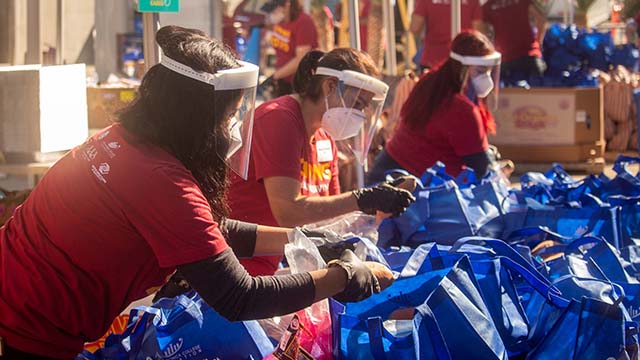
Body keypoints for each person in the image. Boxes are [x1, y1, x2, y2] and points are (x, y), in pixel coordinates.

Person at [0, 26, 394, 359]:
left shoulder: (122, 140)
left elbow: (205, 228)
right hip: (26, 325)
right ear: (198, 118)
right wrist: (341, 277)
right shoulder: (161, 180)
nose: (233, 128)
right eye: (229, 115)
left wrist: (298, 240)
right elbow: (239, 296)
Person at [228, 48, 415, 276]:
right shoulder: (279, 119)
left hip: (278, 261)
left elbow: (329, 219)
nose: (360, 115)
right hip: (239, 264)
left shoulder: (324, 139)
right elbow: (288, 212)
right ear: (330, 86)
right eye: (357, 104)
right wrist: (361, 199)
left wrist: (375, 208)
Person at [368, 30, 501, 183]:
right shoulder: (462, 109)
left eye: (489, 72)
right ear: (462, 68)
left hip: (385, 173)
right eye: (481, 71)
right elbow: (483, 169)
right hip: (409, 189)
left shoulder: (430, 82)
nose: (487, 79)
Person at [262, 0, 319, 96]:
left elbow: (301, 58)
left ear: (287, 4)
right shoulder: (281, 21)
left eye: (274, 10)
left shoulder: (303, 22)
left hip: (298, 84)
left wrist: (275, 76)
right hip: (282, 79)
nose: (272, 14)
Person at [482, 0, 547, 84]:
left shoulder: (488, 6)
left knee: (505, 93)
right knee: (538, 92)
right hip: (529, 55)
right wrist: (538, 43)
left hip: (505, 60)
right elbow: (541, 20)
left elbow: (484, 32)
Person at [410, 0, 483, 71]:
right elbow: (477, 32)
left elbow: (415, 28)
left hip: (433, 59)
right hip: (462, 59)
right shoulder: (473, 1)